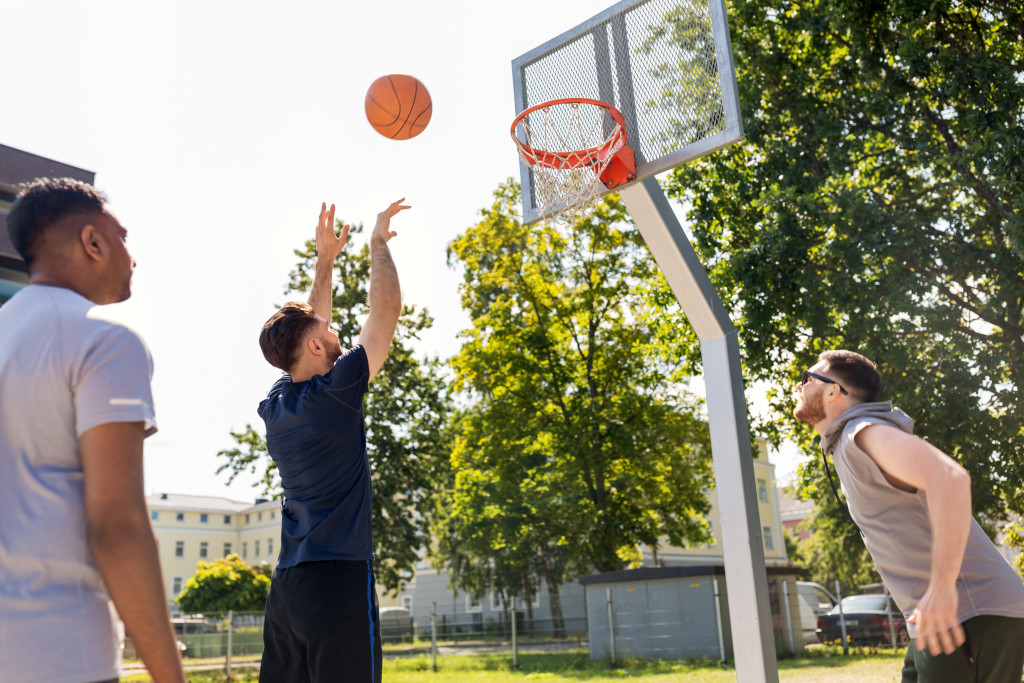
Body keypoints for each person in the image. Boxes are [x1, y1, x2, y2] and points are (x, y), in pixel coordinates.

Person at [0, 178, 185, 683]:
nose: (133, 255)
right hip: (59, 653)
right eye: (121, 236)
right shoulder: (105, 341)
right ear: (93, 242)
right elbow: (117, 525)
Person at [793, 349, 1024, 682]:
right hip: (934, 619)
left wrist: (943, 587)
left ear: (832, 391)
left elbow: (951, 477)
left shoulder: (862, 430)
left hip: (973, 610)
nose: (799, 386)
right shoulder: (846, 443)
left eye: (807, 378)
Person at [256, 198, 408, 683]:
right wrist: (377, 244)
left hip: (288, 588)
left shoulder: (278, 403)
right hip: (338, 578)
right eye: (329, 328)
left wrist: (326, 263)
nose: (335, 325)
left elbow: (308, 328)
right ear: (319, 347)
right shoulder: (336, 394)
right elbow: (385, 310)